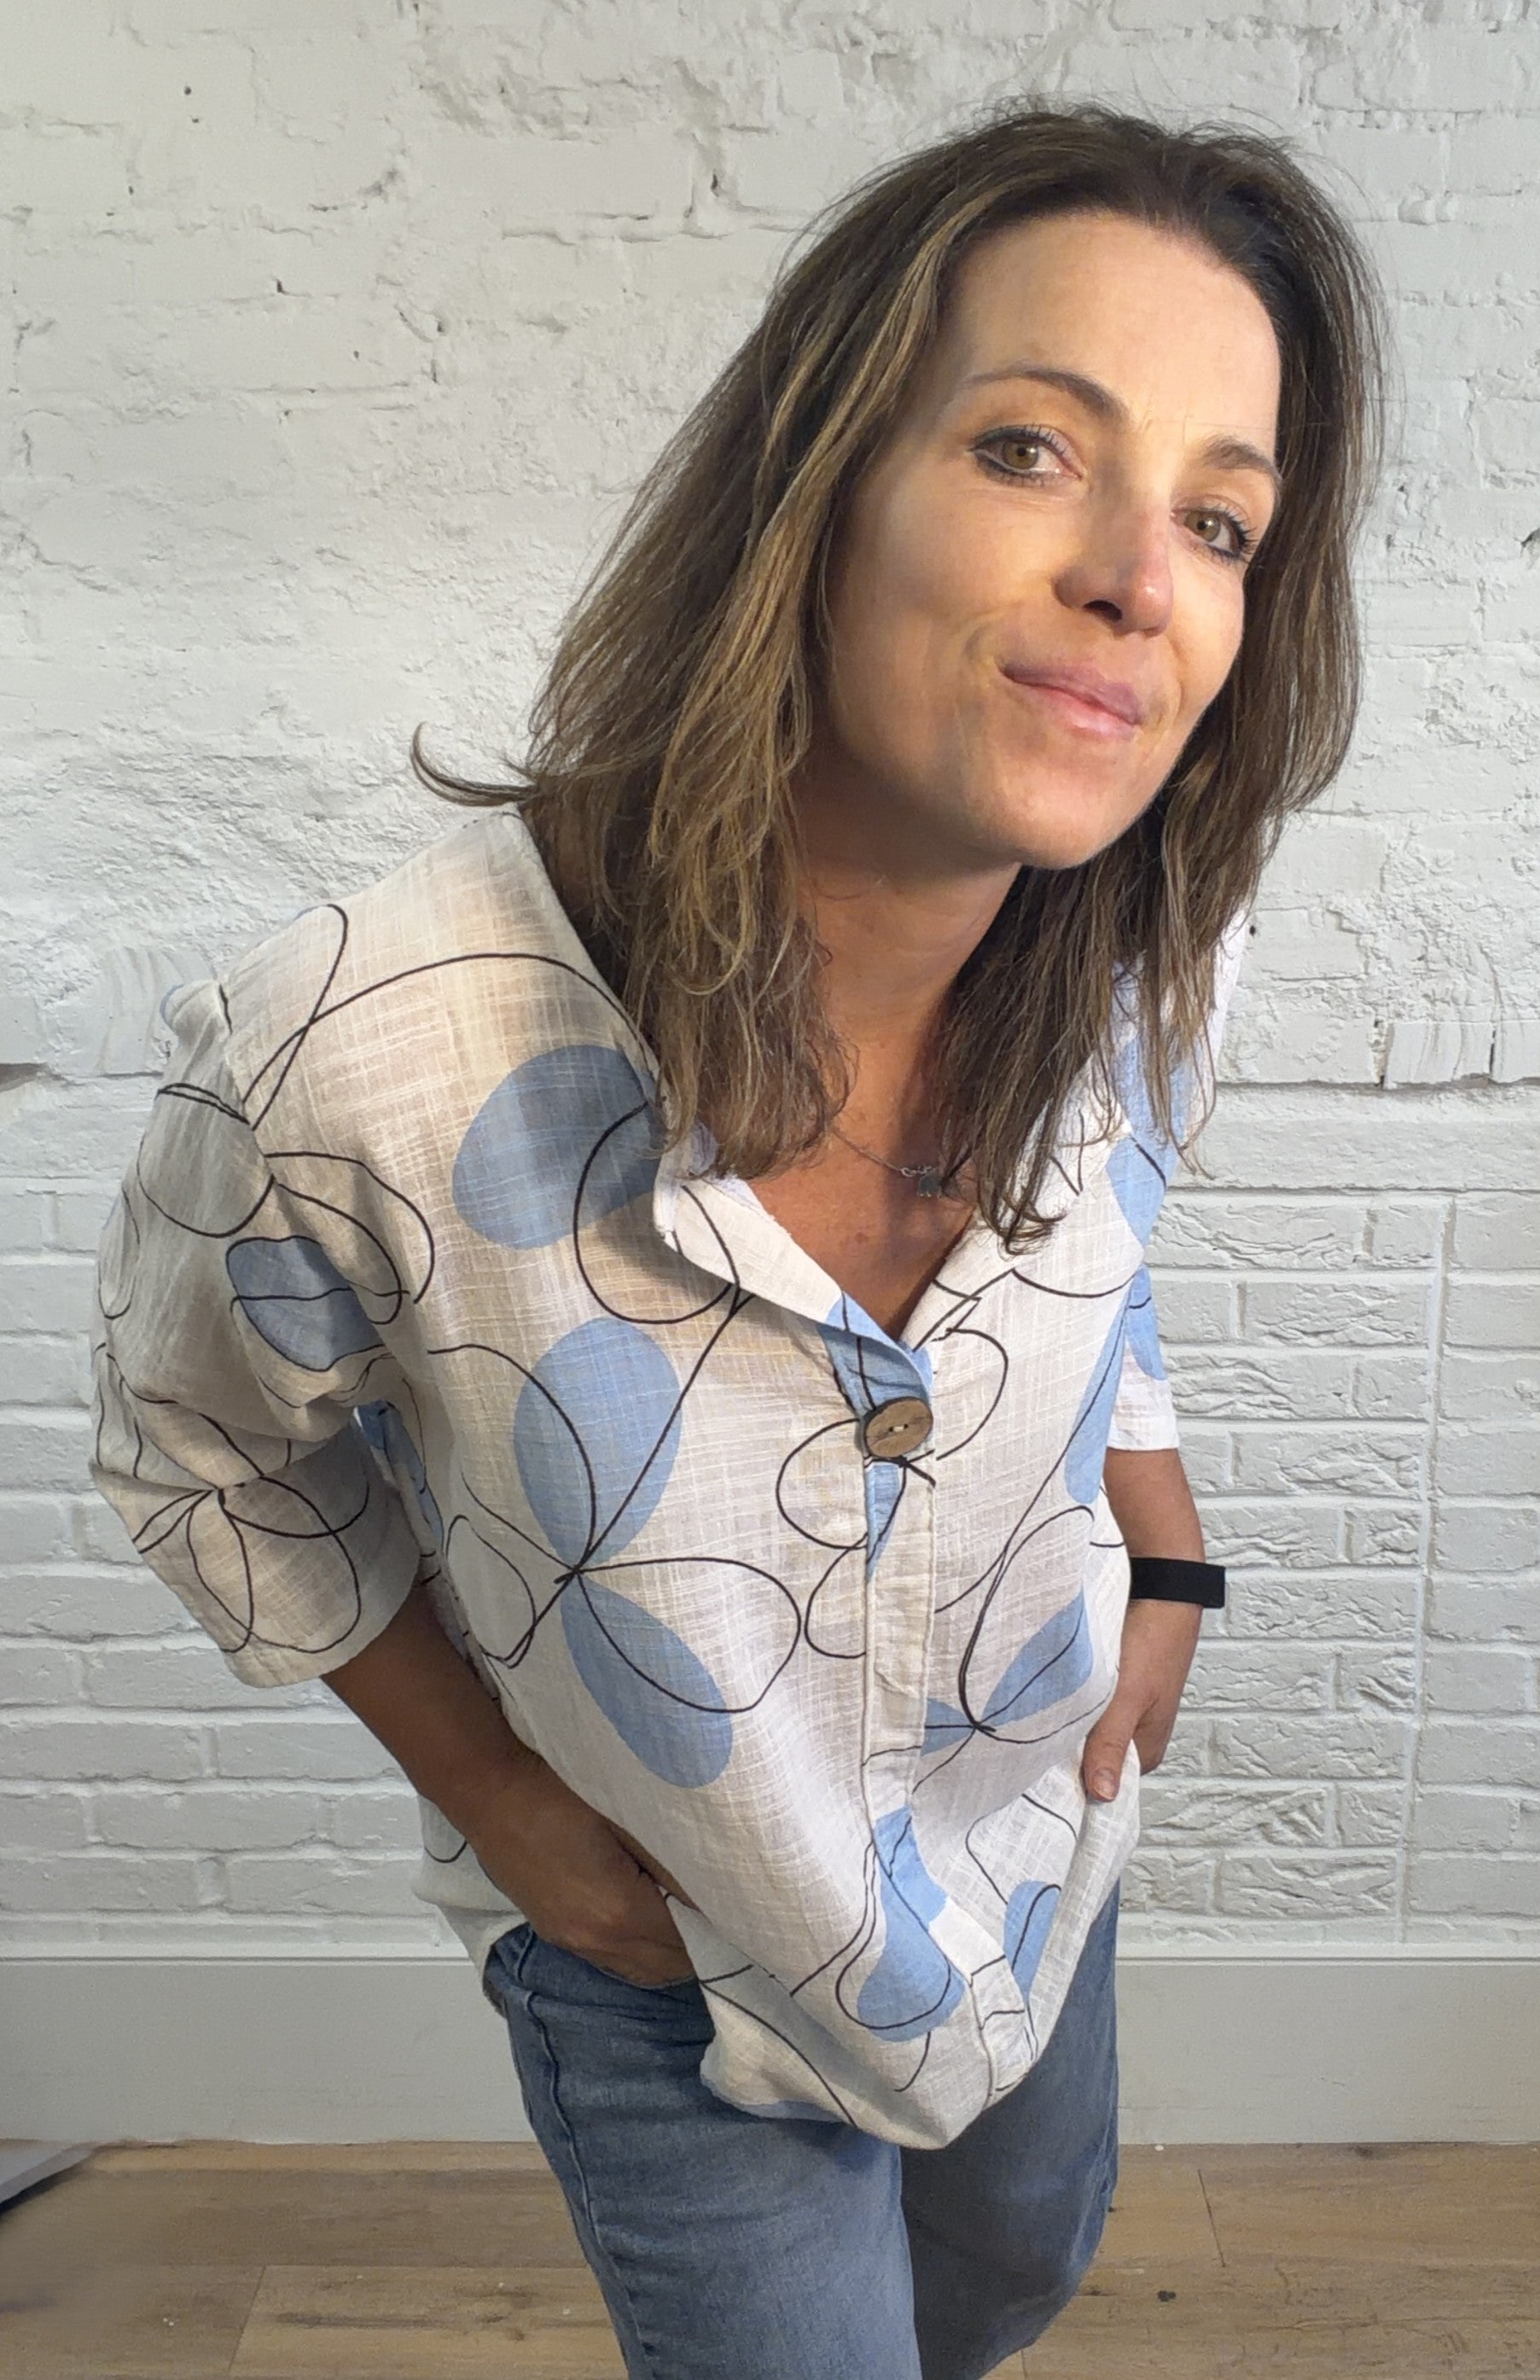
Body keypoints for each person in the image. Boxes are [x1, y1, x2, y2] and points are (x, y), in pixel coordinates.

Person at [90, 101, 1385, 2380]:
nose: (1139, 577)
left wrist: (1166, 1549)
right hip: (669, 1949)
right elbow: (200, 1444)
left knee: (1012, 2270)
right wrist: (509, 1810)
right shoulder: (355, 1053)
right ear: (817, 481)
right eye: (1027, 447)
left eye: (1219, 518)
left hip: (1025, 1849)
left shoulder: (1160, 964)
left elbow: (1108, 1260)